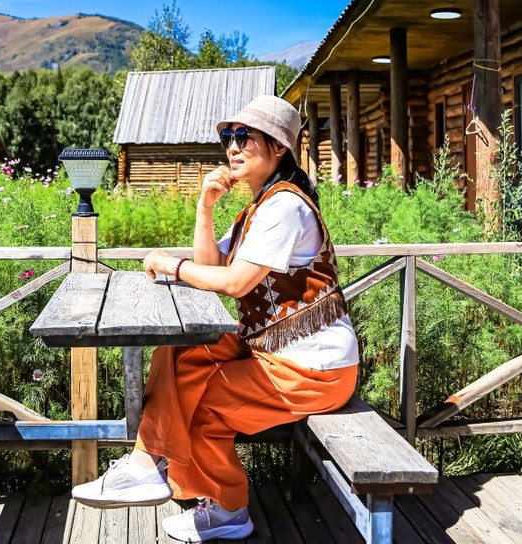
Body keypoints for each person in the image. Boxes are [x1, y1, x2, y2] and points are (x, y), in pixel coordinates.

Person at [71, 95, 359, 543]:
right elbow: (212, 265)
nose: (233, 146)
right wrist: (204, 206)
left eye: (245, 137)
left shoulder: (285, 206)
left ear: (279, 147)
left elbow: (235, 282)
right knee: (182, 351)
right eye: (229, 137)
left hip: (314, 369)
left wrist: (173, 265)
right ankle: (146, 465)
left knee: (203, 404)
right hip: (273, 352)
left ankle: (226, 509)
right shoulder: (258, 208)